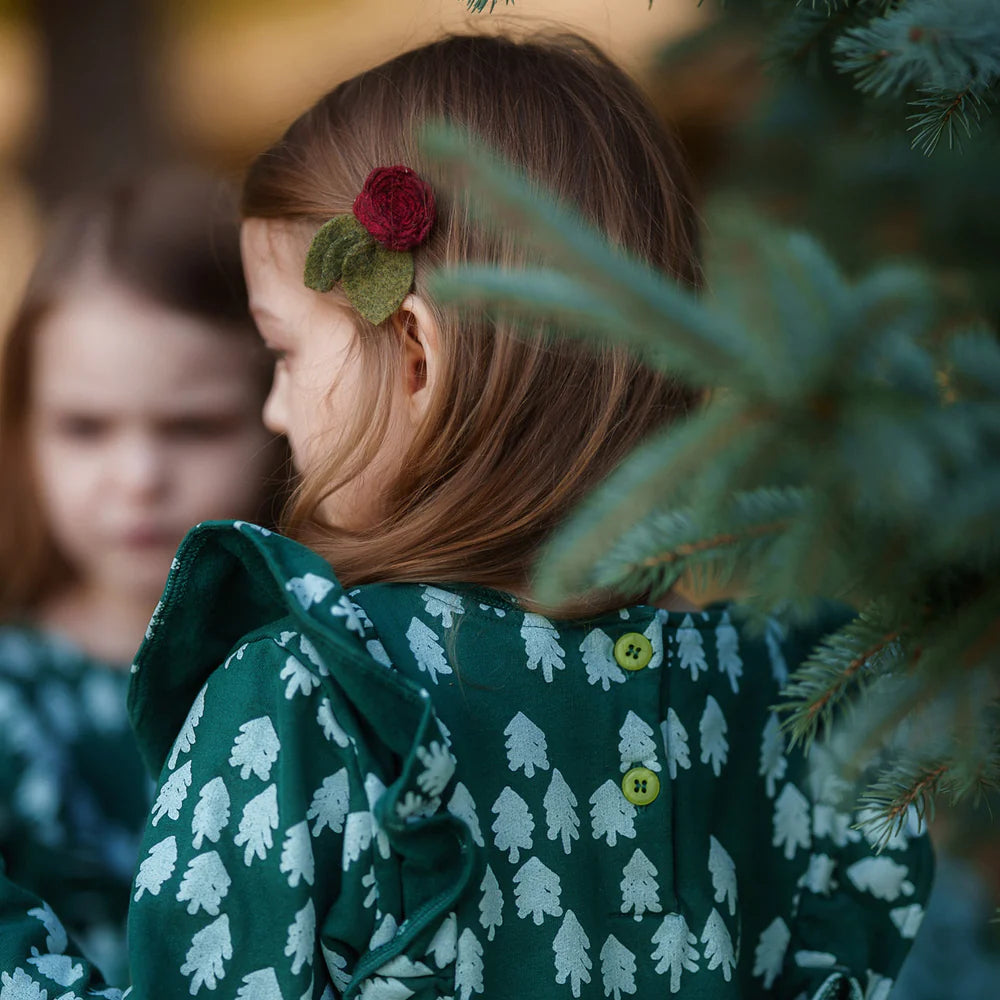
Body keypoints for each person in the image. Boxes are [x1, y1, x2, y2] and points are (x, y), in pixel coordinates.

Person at [0, 35, 932, 1000]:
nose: (275, 412)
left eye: (280, 355)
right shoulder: (782, 691)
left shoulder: (315, 692)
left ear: (414, 354)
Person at [0, 169, 282, 982]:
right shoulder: (11, 700)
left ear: (283, 410)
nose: (137, 476)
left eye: (193, 426)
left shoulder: (333, 665)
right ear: (24, 432)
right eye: (85, 427)